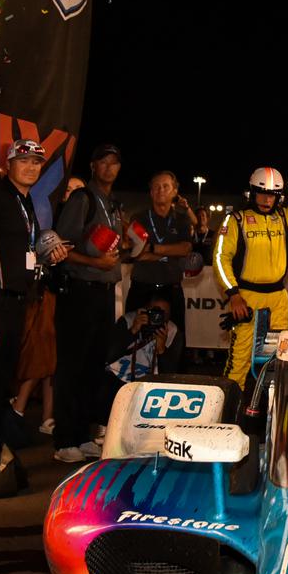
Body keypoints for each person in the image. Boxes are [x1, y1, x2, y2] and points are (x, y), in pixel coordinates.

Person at [0, 140, 68, 473]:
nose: (31, 167)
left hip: (18, 303)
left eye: (37, 162)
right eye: (24, 161)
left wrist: (49, 256)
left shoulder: (27, 203)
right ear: (8, 164)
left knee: (0, 381)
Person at [53, 144, 125, 463]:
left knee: (94, 367)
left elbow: (117, 249)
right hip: (79, 291)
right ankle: (64, 439)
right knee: (72, 366)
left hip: (103, 294)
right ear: (94, 166)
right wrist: (96, 264)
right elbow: (62, 248)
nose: (109, 168)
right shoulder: (83, 199)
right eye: (103, 163)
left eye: (115, 163)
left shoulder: (113, 203)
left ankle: (83, 435)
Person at [214, 168, 288, 390]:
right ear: (251, 193)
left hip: (277, 299)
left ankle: (271, 411)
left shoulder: (283, 216)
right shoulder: (236, 220)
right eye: (262, 193)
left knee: (277, 360)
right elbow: (220, 258)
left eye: (273, 194)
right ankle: (227, 414)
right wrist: (233, 295)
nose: (267, 199)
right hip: (246, 299)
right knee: (239, 362)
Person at [126, 171, 194, 371]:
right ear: (150, 192)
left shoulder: (182, 219)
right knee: (134, 334)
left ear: (175, 191)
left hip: (171, 289)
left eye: (165, 186)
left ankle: (174, 382)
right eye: (156, 187)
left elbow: (186, 249)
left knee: (175, 340)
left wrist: (153, 249)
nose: (160, 190)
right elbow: (136, 254)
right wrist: (170, 252)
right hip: (142, 288)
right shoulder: (139, 217)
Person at [95, 293, 182, 433]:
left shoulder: (172, 331)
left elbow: (172, 373)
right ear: (144, 310)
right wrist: (133, 331)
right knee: (103, 381)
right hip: (119, 378)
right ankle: (104, 427)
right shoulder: (128, 320)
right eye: (155, 311)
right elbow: (108, 355)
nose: (158, 317)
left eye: (163, 314)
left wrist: (161, 349)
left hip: (150, 383)